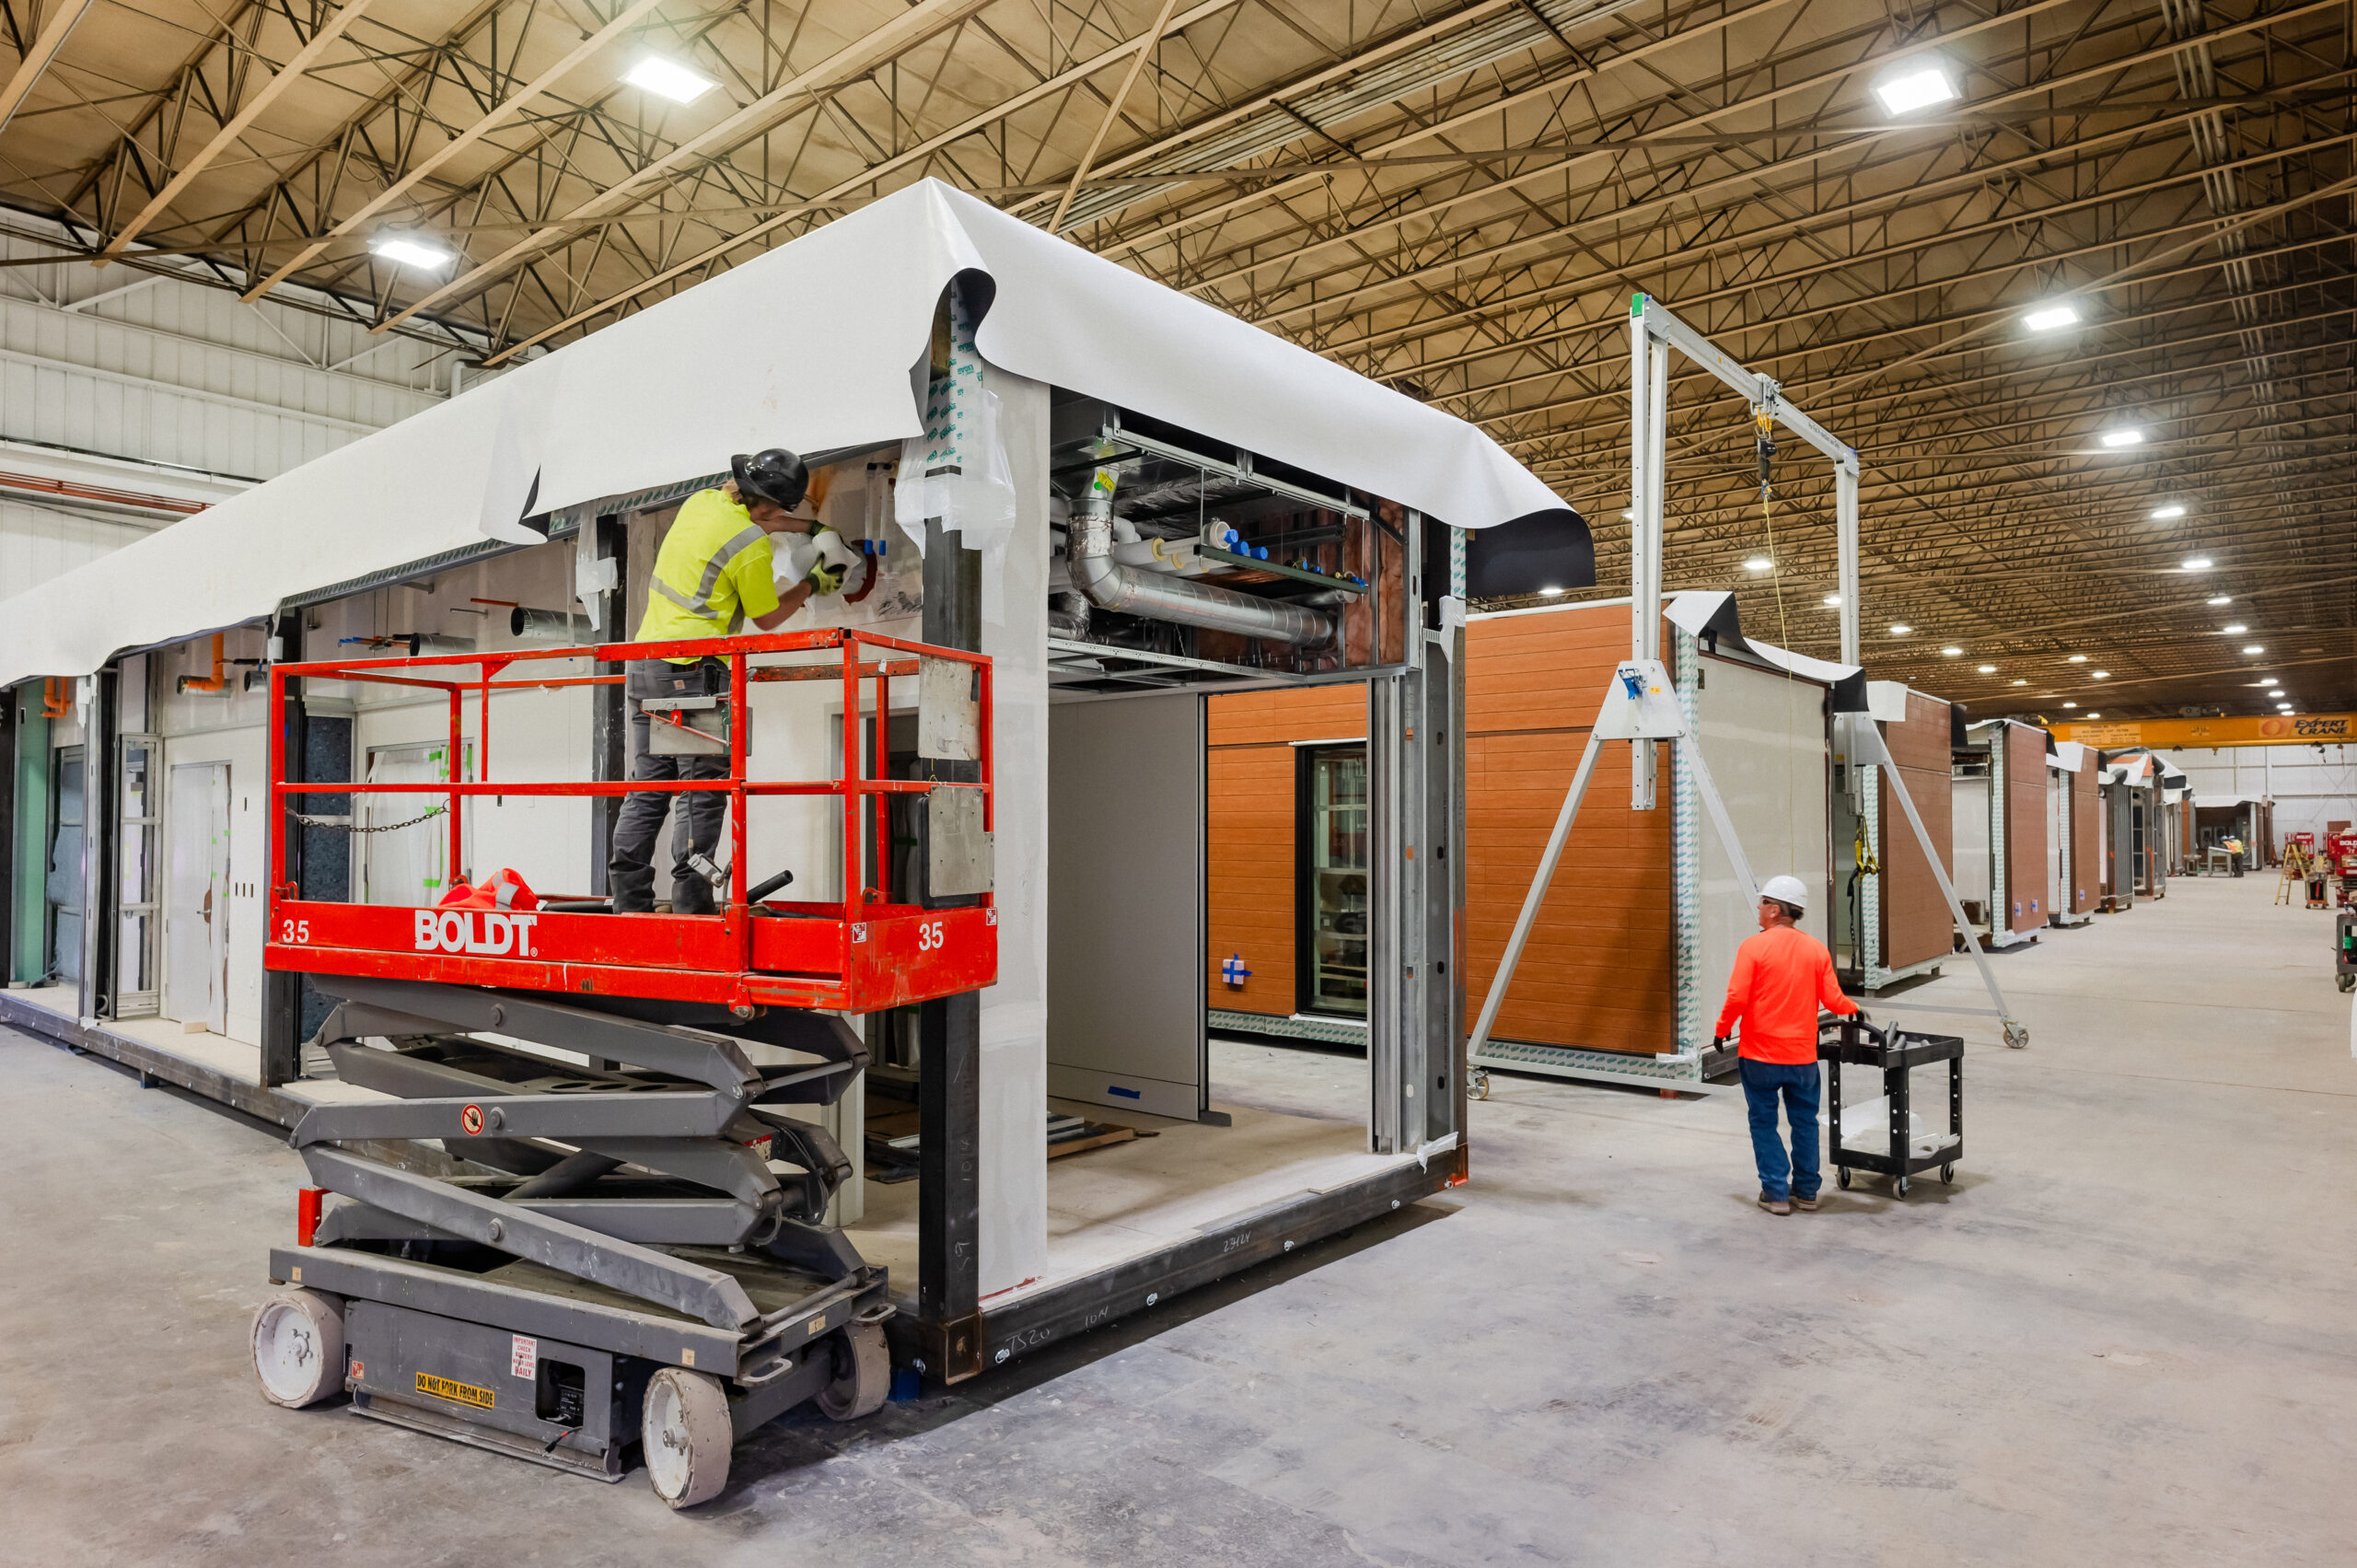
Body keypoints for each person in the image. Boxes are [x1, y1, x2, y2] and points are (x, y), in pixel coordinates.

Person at [609, 448, 845, 914]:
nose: (780, 517)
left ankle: (629, 903)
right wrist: (812, 585)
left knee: (648, 788)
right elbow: (767, 616)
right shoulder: (748, 544)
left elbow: (760, 523)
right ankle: (691, 906)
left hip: (645, 661)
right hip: (692, 670)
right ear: (764, 505)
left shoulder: (701, 503)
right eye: (780, 509)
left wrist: (813, 530)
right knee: (702, 789)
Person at [1712, 874, 1859, 1215]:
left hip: (1759, 1057)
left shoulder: (1753, 947)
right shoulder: (1815, 949)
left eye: (1763, 902)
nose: (1759, 908)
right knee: (1804, 1123)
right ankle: (1807, 1192)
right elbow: (1834, 1000)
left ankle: (1777, 1193)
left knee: (1763, 1122)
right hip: (1802, 1060)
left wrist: (1721, 1031)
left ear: (1776, 910)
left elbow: (1736, 998)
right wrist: (1854, 1009)